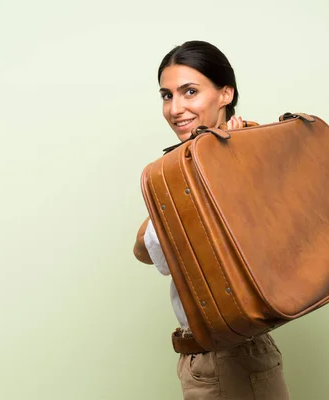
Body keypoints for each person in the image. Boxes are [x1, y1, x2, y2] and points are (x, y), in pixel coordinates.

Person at [133, 40, 290, 400]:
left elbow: (148, 247)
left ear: (225, 93)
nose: (176, 108)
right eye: (167, 95)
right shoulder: (191, 163)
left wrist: (222, 164)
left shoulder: (242, 154)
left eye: (190, 91)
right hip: (219, 356)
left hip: (228, 356)